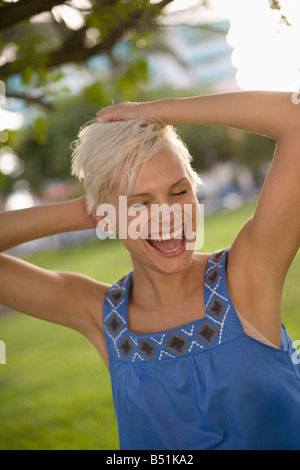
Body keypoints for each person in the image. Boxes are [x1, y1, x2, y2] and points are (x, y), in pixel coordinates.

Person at [0, 91, 299, 450]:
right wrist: (94, 207)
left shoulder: (247, 276)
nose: (168, 216)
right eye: (141, 203)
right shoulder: (101, 314)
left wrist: (153, 113)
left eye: (178, 192)